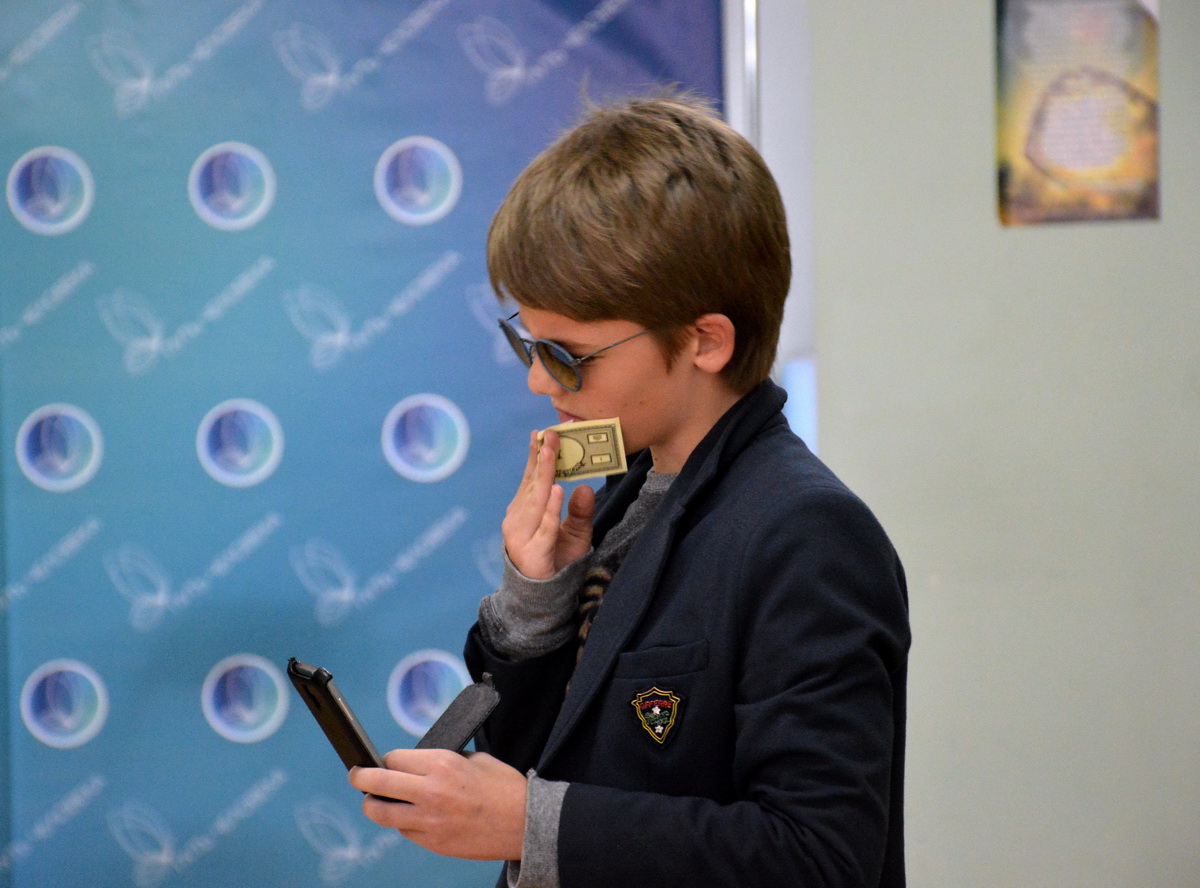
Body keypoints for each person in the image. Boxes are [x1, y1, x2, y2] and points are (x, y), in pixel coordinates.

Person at [350, 91, 910, 888]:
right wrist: (538, 607)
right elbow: (546, 753)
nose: (539, 381)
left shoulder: (807, 533)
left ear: (705, 341)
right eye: (528, 343)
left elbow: (820, 857)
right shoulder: (623, 494)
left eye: (568, 355)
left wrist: (527, 823)